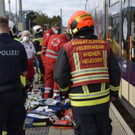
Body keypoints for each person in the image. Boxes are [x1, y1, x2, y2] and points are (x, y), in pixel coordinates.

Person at [54, 10, 121, 135]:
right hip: (102, 102)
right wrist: (114, 93)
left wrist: (65, 90)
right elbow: (115, 72)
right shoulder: (105, 46)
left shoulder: (67, 48)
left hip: (80, 104)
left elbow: (59, 76)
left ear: (74, 28)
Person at [0, 17, 28, 135]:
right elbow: (25, 73)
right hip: (16, 94)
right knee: (16, 130)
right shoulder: (19, 46)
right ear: (9, 28)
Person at [44, 33, 72, 99]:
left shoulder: (52, 36)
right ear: (67, 37)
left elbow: (44, 44)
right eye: (69, 40)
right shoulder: (63, 42)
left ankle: (46, 96)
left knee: (48, 79)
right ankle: (55, 97)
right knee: (57, 79)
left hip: (47, 61)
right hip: (55, 63)